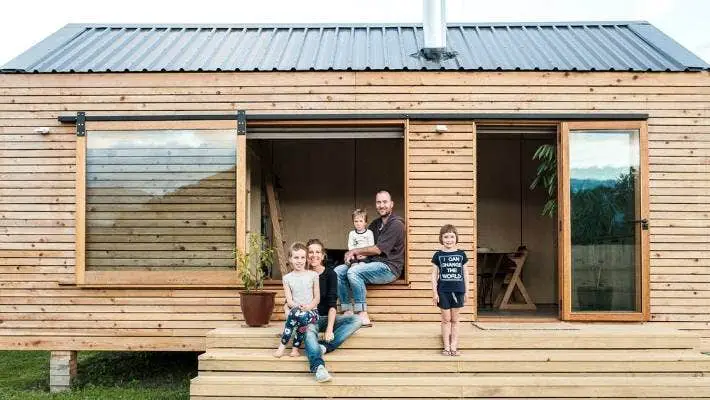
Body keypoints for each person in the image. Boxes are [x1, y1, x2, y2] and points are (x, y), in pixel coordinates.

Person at [334, 190, 406, 326]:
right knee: (338, 271)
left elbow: (378, 249)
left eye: (385, 202)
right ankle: (347, 310)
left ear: (391, 204)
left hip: (389, 268)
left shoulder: (396, 224)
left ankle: (362, 313)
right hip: (369, 263)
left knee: (353, 272)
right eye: (379, 202)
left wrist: (357, 251)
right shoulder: (375, 224)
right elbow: (365, 247)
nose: (381, 205)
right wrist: (353, 255)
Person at [303, 239, 363, 383]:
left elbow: (332, 303)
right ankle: (318, 367)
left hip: (327, 317)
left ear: (323, 255)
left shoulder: (331, 274)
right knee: (309, 331)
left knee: (356, 320)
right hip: (310, 319)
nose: (314, 255)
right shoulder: (303, 274)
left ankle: (324, 347)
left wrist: (330, 328)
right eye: (310, 252)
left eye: (317, 252)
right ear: (306, 255)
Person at [274, 242, 320, 358]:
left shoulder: (313, 275)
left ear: (306, 259)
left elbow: (317, 298)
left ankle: (283, 346)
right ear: (290, 259)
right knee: (298, 314)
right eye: (296, 257)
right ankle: (294, 349)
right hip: (296, 310)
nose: (299, 261)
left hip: (312, 312)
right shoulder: (287, 278)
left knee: (301, 316)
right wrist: (298, 307)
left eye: (302, 257)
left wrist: (308, 307)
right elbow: (289, 300)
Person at [431, 224, 469, 356]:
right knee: (446, 319)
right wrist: (435, 293)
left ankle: (454, 347)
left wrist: (467, 291)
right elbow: (434, 275)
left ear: (456, 238)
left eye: (452, 236)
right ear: (441, 238)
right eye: (446, 237)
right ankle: (446, 347)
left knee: (455, 320)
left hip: (458, 290)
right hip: (443, 291)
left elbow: (465, 274)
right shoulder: (438, 255)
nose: (449, 239)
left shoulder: (461, 255)